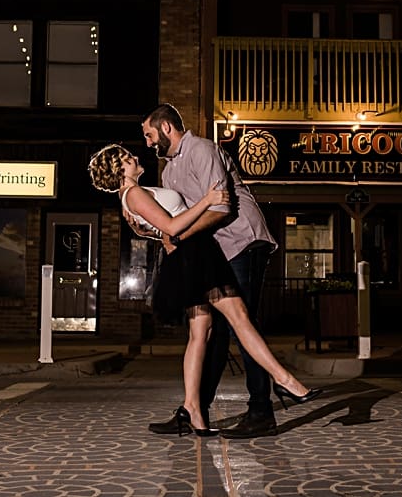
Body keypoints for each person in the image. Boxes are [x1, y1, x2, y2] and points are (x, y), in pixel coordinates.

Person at [88, 143, 320, 437]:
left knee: (201, 333)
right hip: (195, 254)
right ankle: (286, 381)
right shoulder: (132, 194)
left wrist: (149, 231)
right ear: (119, 170)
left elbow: (161, 229)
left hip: (189, 255)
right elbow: (172, 227)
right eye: (126, 158)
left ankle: (194, 411)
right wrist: (208, 200)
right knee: (238, 317)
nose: (134, 157)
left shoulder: (134, 195)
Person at [141, 104, 288, 438]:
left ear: (166, 128)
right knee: (214, 333)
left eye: (150, 135)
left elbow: (221, 208)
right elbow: (177, 221)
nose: (148, 143)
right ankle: (195, 411)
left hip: (243, 241)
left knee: (240, 324)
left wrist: (177, 235)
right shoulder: (168, 172)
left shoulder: (202, 149)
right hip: (217, 251)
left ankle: (262, 411)